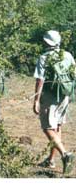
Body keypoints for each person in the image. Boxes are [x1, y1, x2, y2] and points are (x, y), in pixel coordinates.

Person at [34, 30, 75, 174]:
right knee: (57, 126)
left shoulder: (44, 58)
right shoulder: (68, 55)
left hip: (50, 96)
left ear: (46, 42)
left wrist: (36, 100)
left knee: (47, 128)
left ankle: (65, 154)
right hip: (65, 95)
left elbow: (40, 80)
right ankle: (51, 160)